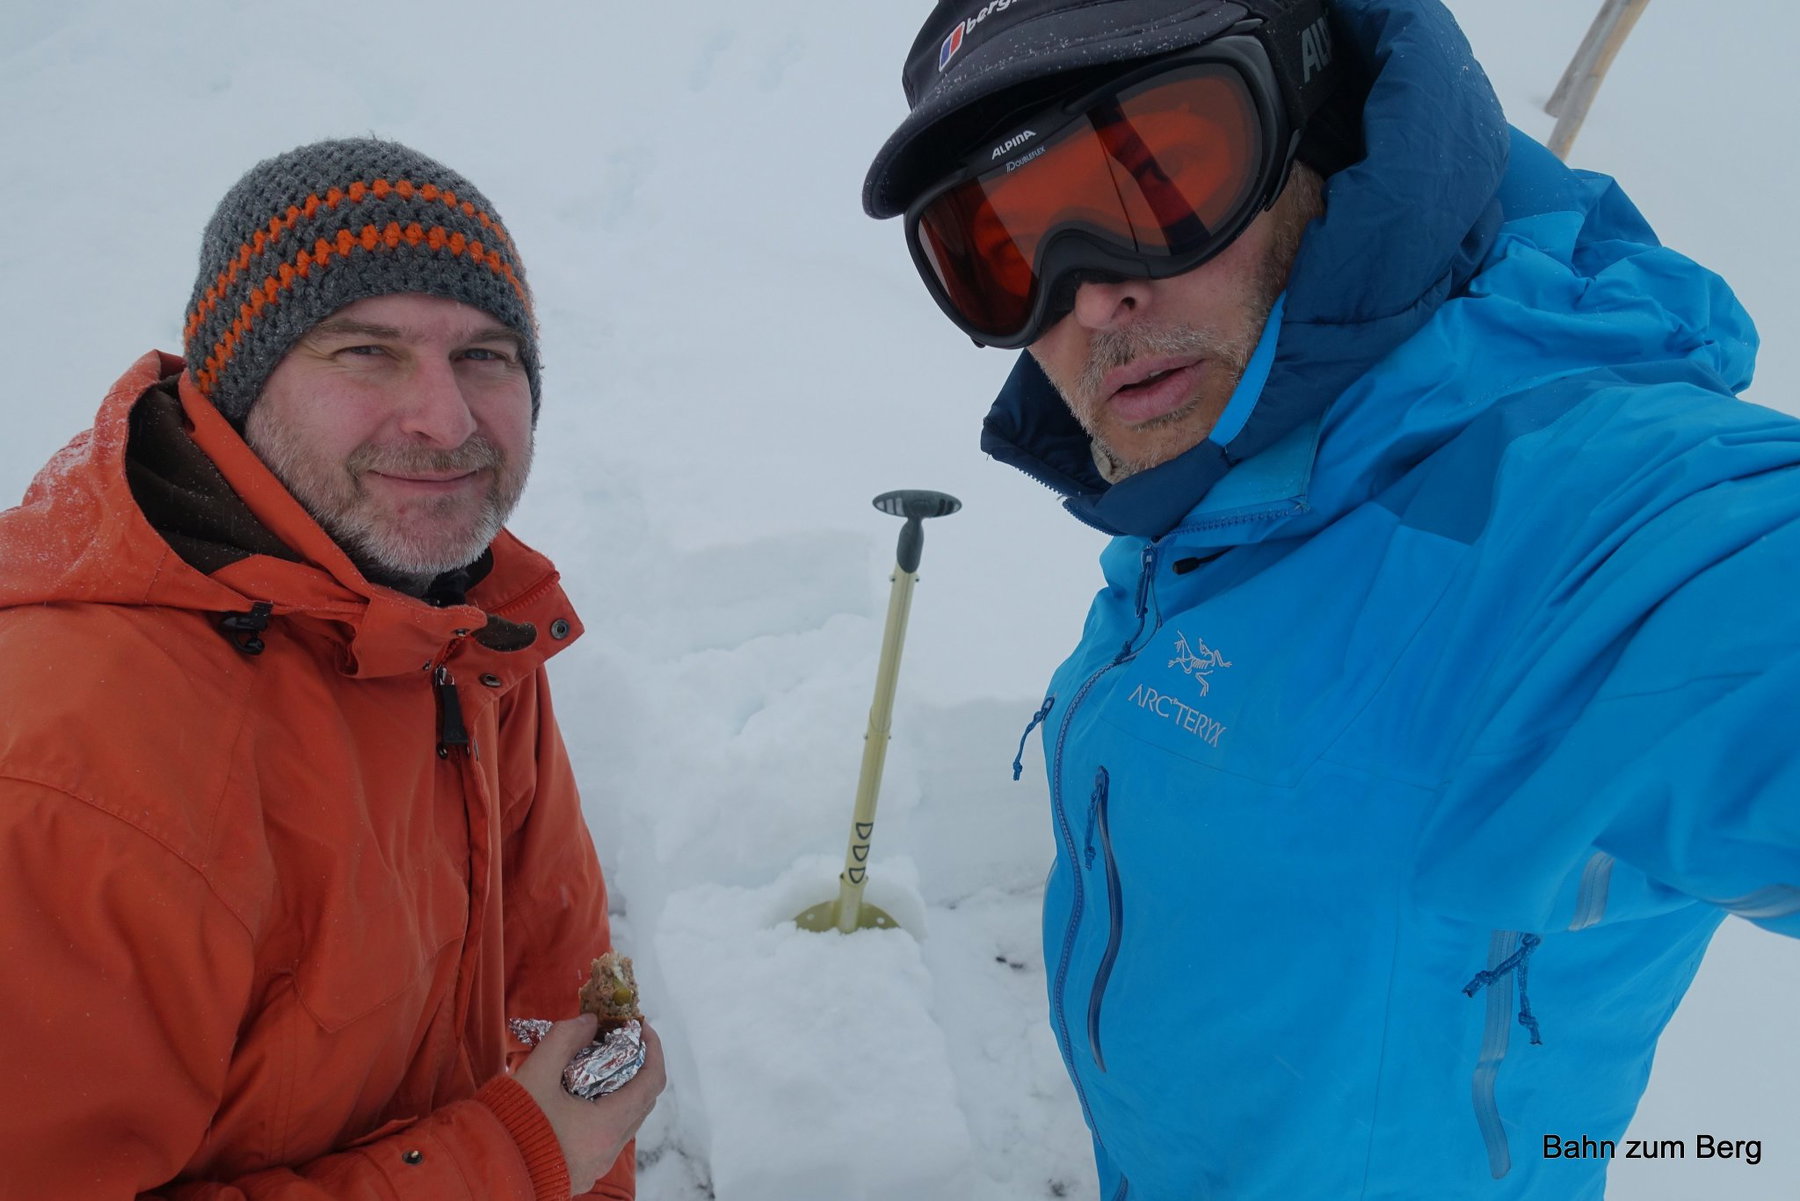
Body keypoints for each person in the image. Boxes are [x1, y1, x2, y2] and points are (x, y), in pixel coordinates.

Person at [863, 0, 1799, 1197]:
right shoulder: (1219, 472)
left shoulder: (1568, 532)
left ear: (1323, 123)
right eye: (1002, 250)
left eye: (1156, 176)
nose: (1089, 298)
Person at [0, 138, 663, 1199]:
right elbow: (548, 1132)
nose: (446, 419)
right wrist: (515, 1161)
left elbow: (553, 998)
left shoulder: (465, 622)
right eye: (366, 351)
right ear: (238, 382)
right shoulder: (73, 779)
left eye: (487, 355)